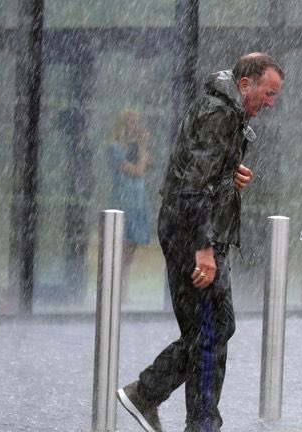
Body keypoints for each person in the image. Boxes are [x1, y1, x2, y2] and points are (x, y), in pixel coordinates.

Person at [117, 52, 284, 432]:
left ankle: (151, 396)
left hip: (195, 232)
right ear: (246, 84)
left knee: (212, 328)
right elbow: (193, 186)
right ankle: (193, 418)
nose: (271, 102)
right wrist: (204, 248)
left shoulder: (227, 110)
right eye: (269, 93)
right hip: (193, 235)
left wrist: (231, 172)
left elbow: (201, 169)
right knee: (210, 330)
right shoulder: (220, 112)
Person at [106, 109, 152, 298]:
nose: (134, 127)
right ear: (121, 125)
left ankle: (123, 292)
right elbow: (138, 171)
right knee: (120, 249)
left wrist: (141, 148)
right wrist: (141, 147)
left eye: (136, 122)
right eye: (130, 123)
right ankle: (117, 292)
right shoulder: (114, 148)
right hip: (124, 201)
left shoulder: (132, 148)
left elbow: (149, 163)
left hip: (138, 201)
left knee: (130, 251)